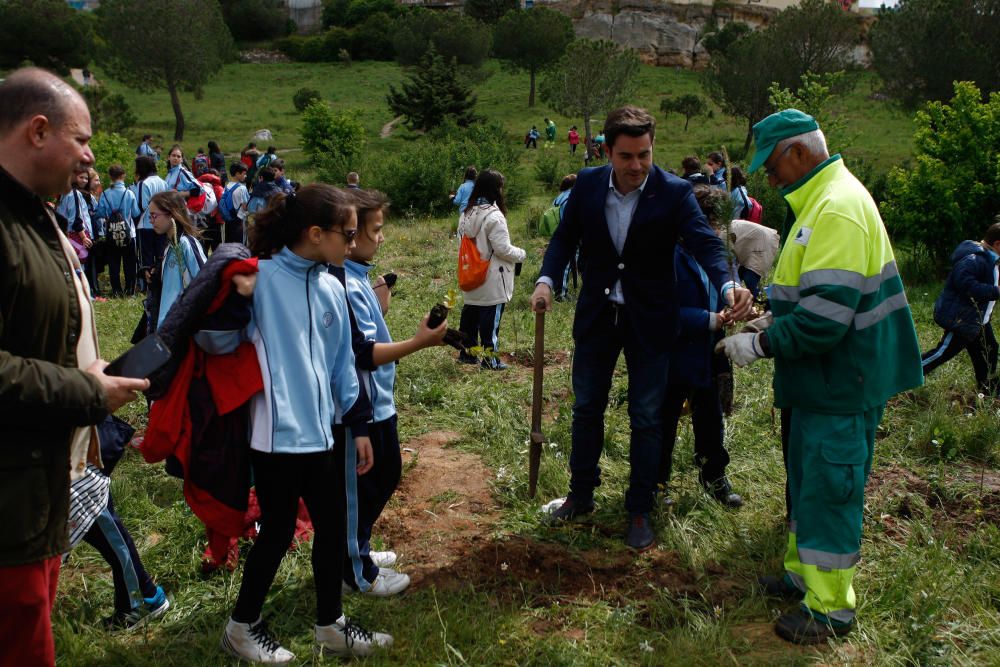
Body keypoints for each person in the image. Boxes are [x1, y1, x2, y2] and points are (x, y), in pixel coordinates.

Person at [716, 109, 923, 645]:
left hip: (841, 381)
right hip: (821, 383)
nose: (770, 177)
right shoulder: (820, 204)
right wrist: (766, 319)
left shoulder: (837, 209)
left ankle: (830, 608)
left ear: (800, 153)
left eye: (774, 164)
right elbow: (810, 301)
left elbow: (825, 322)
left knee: (831, 487)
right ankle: (802, 576)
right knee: (807, 482)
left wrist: (758, 343)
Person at [532, 105, 752, 551]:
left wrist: (728, 283)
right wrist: (546, 280)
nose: (636, 166)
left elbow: (705, 242)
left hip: (650, 320)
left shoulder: (672, 193)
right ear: (608, 151)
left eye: (645, 155)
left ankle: (639, 507)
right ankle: (581, 494)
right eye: (627, 156)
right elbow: (564, 240)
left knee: (648, 416)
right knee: (587, 408)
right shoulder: (589, 185)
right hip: (597, 317)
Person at [0, 66, 148, 667]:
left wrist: (93, 372)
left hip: (39, 486)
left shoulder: (34, 216)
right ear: (39, 130)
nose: (89, 155)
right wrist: (86, 391)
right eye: (82, 139)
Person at [219, 185, 392, 661]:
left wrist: (358, 426)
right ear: (317, 234)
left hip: (323, 433)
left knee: (333, 526)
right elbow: (215, 342)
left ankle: (330, 625)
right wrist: (230, 299)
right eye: (348, 234)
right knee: (275, 534)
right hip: (274, 437)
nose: (354, 244)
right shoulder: (259, 279)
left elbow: (341, 367)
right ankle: (241, 626)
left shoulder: (331, 286)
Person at [342, 188, 447, 596]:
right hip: (363, 406)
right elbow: (363, 354)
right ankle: (354, 569)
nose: (380, 238)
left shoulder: (358, 279)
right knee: (368, 484)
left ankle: (359, 546)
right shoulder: (348, 285)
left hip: (377, 402)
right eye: (375, 231)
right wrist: (419, 341)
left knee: (384, 476)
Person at [659, 187, 745, 509]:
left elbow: (727, 288)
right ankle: (657, 484)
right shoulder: (668, 255)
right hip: (675, 354)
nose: (722, 231)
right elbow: (662, 313)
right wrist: (711, 319)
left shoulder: (719, 256)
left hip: (710, 354)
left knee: (712, 419)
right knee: (664, 421)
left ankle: (715, 478)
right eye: (716, 223)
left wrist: (736, 307)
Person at [457, 169, 526, 370]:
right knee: (490, 321)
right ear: (496, 189)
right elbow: (502, 249)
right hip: (492, 277)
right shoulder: (494, 216)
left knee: (470, 316)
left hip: (471, 273)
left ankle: (467, 354)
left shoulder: (466, 213)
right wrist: (521, 253)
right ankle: (490, 360)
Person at [921, 221, 1000, 396]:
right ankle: (903, 376)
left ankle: (986, 390)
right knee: (942, 353)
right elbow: (966, 285)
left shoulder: (991, 259)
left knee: (990, 350)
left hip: (978, 321)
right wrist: (996, 291)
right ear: (997, 244)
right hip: (962, 320)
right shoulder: (974, 259)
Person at [695, 185, 779, 300]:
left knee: (750, 279)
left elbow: (728, 260)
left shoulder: (722, 235)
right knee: (740, 277)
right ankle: (747, 301)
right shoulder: (721, 230)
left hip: (762, 241)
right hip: (755, 241)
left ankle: (760, 303)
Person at [146, 190, 206, 331]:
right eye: (150, 216)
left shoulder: (186, 244)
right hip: (167, 326)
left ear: (172, 214)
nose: (151, 221)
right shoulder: (170, 246)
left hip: (182, 325)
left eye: (154, 216)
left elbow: (204, 280)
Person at [57, 168, 103, 300]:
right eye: (81, 177)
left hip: (66, 234)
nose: (84, 181)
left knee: (71, 265)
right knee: (79, 265)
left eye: (86, 178)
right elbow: (76, 218)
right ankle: (82, 294)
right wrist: (83, 237)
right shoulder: (75, 193)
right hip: (75, 235)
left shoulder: (64, 193)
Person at [96, 164, 140, 297]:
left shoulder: (105, 194)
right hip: (128, 233)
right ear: (123, 175)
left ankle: (116, 290)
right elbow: (136, 213)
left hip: (112, 233)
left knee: (113, 263)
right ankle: (129, 289)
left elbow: (100, 213)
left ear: (110, 176)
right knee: (129, 263)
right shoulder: (129, 193)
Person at [132, 155, 168, 292]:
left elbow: (141, 206)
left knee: (146, 257)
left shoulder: (143, 183)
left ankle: (146, 285)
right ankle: (161, 281)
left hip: (145, 224)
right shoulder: (162, 182)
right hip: (161, 223)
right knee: (160, 255)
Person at [221, 162, 250, 244]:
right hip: (239, 221)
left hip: (228, 219)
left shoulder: (226, 186)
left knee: (229, 244)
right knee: (240, 245)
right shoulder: (242, 188)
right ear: (237, 174)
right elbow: (245, 206)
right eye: (244, 174)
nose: (246, 176)